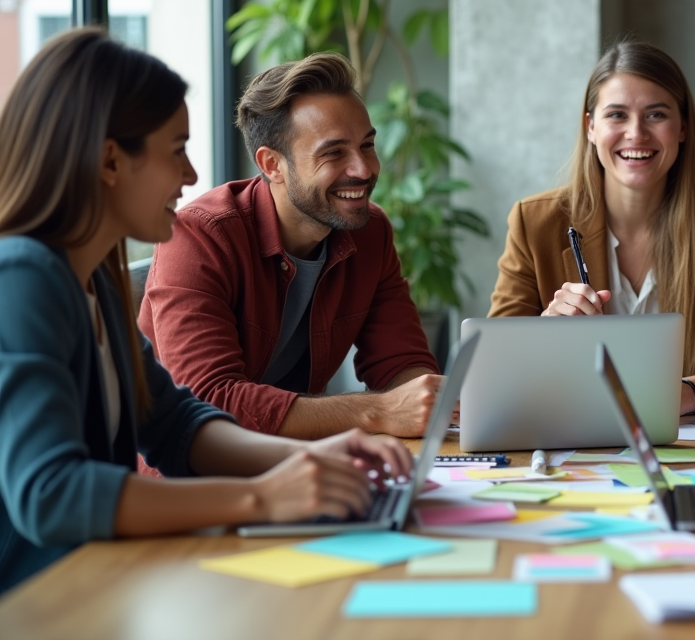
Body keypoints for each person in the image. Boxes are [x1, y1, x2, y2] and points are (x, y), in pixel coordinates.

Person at [0, 29, 413, 593]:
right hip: (41, 600)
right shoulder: (23, 279)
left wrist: (310, 459)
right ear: (110, 161)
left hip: (104, 578)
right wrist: (264, 495)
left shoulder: (93, 278)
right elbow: (51, 494)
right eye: (176, 151)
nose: (191, 175)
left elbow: (175, 423)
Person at [138, 53, 441, 443]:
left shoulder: (370, 231)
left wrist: (428, 398)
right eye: (334, 153)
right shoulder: (199, 237)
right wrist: (378, 411)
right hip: (196, 486)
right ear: (272, 164)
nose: (364, 170)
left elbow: (402, 363)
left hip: (303, 462)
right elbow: (210, 401)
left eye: (367, 146)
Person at [489, 40, 695, 415]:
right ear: (590, 128)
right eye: (617, 115)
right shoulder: (534, 223)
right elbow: (492, 365)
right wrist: (545, 335)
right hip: (570, 432)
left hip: (688, 443)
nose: (636, 133)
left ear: (682, 127)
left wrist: (684, 394)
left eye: (656, 115)